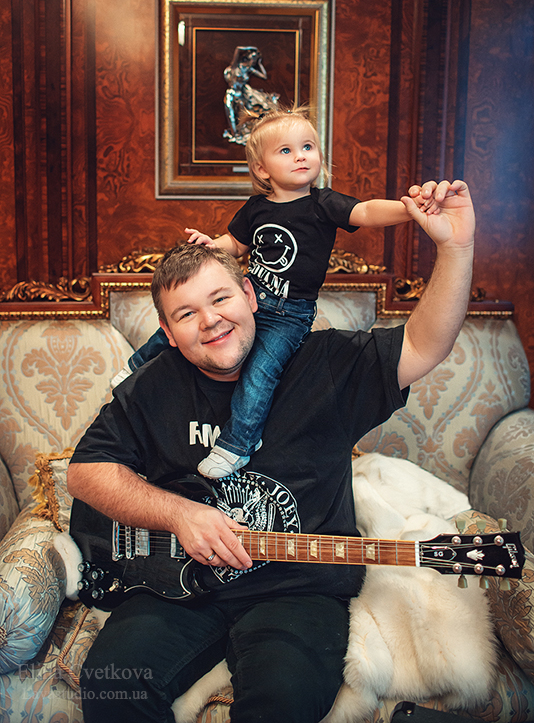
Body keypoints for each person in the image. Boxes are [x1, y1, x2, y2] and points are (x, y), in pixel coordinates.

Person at [67, 177, 475, 723]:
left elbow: (426, 343)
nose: (210, 320)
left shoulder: (324, 363)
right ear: (166, 330)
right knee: (109, 685)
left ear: (251, 295)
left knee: (282, 701)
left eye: (221, 298)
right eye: (186, 314)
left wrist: (456, 247)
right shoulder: (152, 385)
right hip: (177, 588)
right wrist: (180, 514)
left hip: (298, 591)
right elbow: (85, 472)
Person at [120, 106, 441, 480]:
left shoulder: (323, 204)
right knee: (185, 327)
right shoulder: (257, 208)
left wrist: (409, 209)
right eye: (286, 151)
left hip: (289, 314)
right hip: (250, 298)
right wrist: (212, 244)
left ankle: (236, 446)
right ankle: (134, 367)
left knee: (260, 372)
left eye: (308, 147)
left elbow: (367, 212)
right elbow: (236, 244)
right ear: (262, 169)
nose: (300, 156)